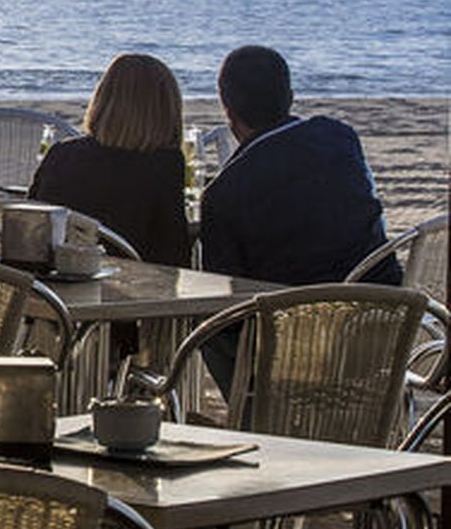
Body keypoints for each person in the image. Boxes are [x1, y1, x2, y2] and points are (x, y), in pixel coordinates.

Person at [197, 44, 399, 394]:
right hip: (382, 323)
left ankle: (254, 414)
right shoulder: (340, 138)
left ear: (226, 108)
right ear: (290, 95)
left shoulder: (223, 194)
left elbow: (226, 301)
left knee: (206, 324)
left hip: (297, 344)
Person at [29, 53, 191, 268]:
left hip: (52, 284)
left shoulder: (61, 153)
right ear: (166, 110)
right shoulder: (163, 163)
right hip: (133, 284)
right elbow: (173, 251)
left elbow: (30, 224)